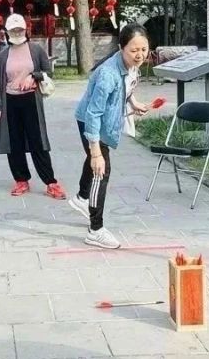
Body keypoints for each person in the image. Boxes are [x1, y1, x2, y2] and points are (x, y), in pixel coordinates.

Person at [70, 23, 151, 249]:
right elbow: (93, 113)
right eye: (134, 50)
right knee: (101, 169)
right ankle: (95, 230)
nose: (139, 55)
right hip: (91, 121)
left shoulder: (131, 65)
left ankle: (82, 198)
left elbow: (127, 86)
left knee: (95, 163)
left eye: (143, 49)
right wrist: (96, 151)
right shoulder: (108, 74)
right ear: (121, 48)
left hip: (103, 119)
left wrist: (134, 103)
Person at [0, 13, 67, 199]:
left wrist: (34, 76)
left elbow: (48, 71)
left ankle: (50, 182)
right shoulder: (3, 56)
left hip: (31, 100)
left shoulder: (36, 50)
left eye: (20, 29)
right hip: (10, 101)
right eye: (13, 30)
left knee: (37, 141)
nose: (17, 32)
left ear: (25, 30)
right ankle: (21, 180)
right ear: (7, 32)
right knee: (14, 142)